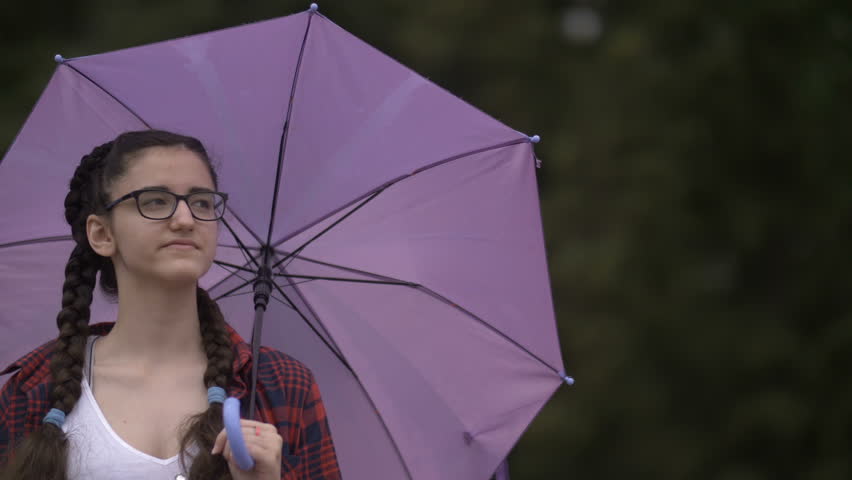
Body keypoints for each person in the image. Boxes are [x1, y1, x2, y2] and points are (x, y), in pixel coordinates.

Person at [0, 130, 341, 480]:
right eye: (155, 201)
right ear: (102, 234)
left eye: (202, 202)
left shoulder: (281, 384)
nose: (185, 219)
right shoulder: (33, 389)